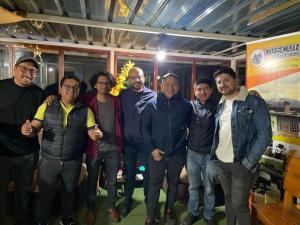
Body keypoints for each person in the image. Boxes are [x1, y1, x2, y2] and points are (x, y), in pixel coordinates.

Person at [21, 74, 102, 225]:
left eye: (75, 87)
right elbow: (35, 126)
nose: (71, 90)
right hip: (49, 160)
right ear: (61, 88)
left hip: (73, 160)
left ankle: (66, 218)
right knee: (45, 192)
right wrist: (28, 130)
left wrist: (97, 134)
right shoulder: (47, 105)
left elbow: (92, 130)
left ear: (78, 90)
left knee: (69, 192)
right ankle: (42, 220)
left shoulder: (85, 110)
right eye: (67, 86)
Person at [211, 67, 272, 225]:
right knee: (229, 199)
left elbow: (265, 135)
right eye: (219, 82)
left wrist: (248, 162)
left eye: (226, 80)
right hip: (222, 162)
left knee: (239, 204)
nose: (223, 84)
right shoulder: (221, 103)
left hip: (241, 163)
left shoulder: (254, 101)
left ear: (235, 80)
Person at [142, 73, 192, 225]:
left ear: (179, 86)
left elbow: (191, 127)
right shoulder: (151, 104)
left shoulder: (185, 106)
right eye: (167, 84)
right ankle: (151, 214)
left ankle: (169, 210)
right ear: (161, 86)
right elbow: (144, 128)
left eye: (174, 84)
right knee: (154, 184)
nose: (171, 87)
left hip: (177, 154)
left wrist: (184, 145)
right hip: (157, 153)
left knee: (173, 184)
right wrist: (152, 149)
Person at [0, 55, 44, 225]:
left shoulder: (38, 93)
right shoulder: (1, 86)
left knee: (24, 192)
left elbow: (39, 122)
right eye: (24, 68)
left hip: (27, 152)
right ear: (15, 69)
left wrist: (33, 130)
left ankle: (21, 221)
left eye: (33, 71)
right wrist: (16, 129)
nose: (28, 73)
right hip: (2, 151)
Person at [82, 71, 123, 224]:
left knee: (113, 181)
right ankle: (91, 209)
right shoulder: (87, 100)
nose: (103, 85)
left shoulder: (116, 101)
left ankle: (111, 206)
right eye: (100, 82)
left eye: (106, 82)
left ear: (111, 85)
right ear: (94, 84)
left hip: (114, 148)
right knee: (91, 180)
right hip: (94, 148)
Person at [119, 67, 155, 217]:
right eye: (133, 77)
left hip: (146, 144)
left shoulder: (153, 95)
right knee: (130, 173)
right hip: (128, 143)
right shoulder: (122, 96)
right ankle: (127, 200)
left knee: (148, 174)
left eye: (139, 77)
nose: (136, 80)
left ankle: (149, 202)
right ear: (128, 80)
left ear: (144, 78)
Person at [181, 79, 218, 225]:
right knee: (193, 186)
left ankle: (209, 215)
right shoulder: (190, 107)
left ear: (211, 90)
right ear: (195, 91)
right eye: (199, 89)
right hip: (192, 154)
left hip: (210, 155)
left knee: (209, 188)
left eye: (206, 89)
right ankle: (193, 212)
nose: (202, 92)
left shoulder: (217, 107)